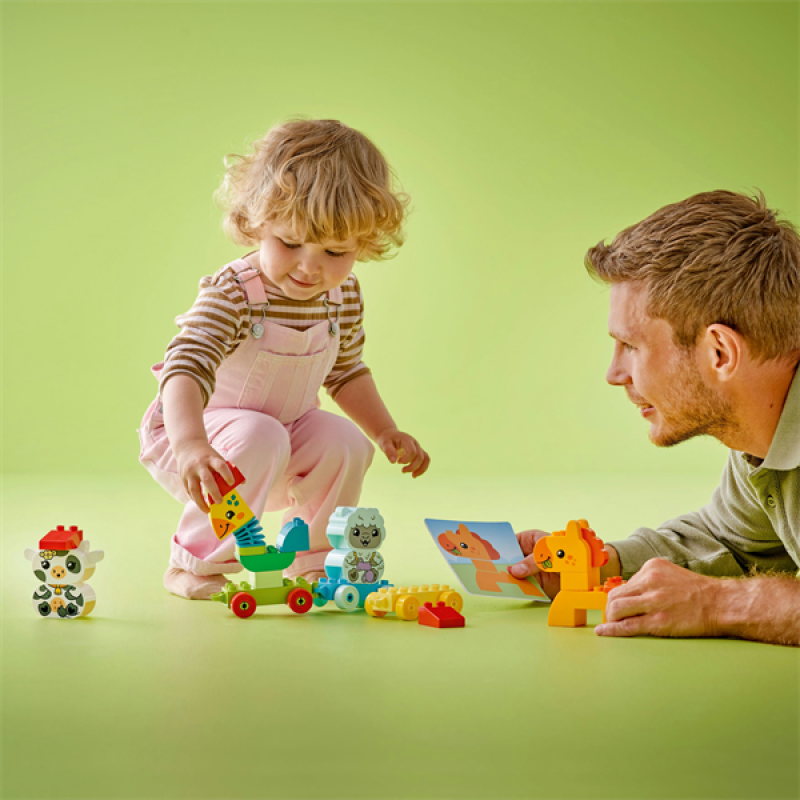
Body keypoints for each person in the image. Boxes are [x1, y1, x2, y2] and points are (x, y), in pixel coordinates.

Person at [139, 119, 430, 600]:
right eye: (290, 243)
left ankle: (314, 559)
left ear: (363, 243)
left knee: (347, 443)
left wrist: (385, 430)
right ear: (257, 223)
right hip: (206, 441)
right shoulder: (235, 292)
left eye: (335, 251)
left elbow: (346, 371)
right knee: (260, 433)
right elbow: (185, 366)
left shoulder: (342, 296)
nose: (310, 267)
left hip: (283, 438)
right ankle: (195, 560)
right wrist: (191, 444)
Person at [510, 190, 800, 646]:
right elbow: (729, 542)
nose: (614, 374)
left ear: (720, 353)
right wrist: (597, 564)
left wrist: (718, 604)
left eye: (631, 345)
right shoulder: (764, 432)